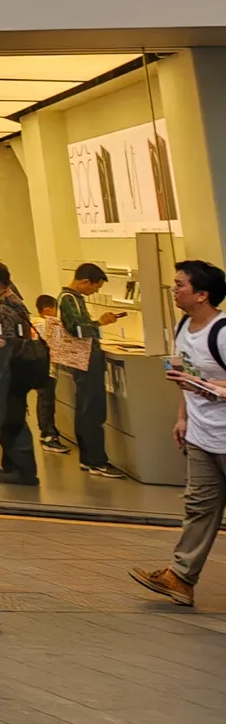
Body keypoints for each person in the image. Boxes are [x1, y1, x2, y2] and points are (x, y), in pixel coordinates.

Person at [131, 258, 226, 606]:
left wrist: (215, 387)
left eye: (180, 284)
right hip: (203, 437)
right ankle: (181, 577)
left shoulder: (223, 332)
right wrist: (183, 417)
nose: (174, 289)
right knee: (199, 507)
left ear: (202, 295)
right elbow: (184, 378)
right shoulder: (184, 325)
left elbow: (207, 382)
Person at [0, 261, 44, 485]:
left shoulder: (6, 308)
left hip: (7, 370)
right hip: (9, 369)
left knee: (10, 419)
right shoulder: (11, 302)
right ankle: (13, 465)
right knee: (9, 417)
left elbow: (2, 341)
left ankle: (24, 470)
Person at [57, 263, 126, 479]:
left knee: (85, 410)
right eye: (95, 287)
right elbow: (77, 329)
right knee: (92, 411)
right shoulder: (70, 300)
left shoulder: (72, 299)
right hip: (86, 360)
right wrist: (100, 323)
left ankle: (88, 459)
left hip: (83, 361)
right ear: (85, 282)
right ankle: (97, 460)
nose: (95, 292)